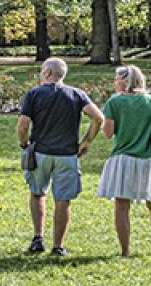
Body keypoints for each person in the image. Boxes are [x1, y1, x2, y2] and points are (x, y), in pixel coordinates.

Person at [17, 57, 104, 258]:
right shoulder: (77, 94)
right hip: (67, 155)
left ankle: (38, 238)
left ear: (47, 73)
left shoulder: (34, 94)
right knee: (63, 200)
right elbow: (98, 118)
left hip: (40, 153)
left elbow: (23, 126)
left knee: (38, 193)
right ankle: (58, 246)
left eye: (41, 71)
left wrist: (24, 144)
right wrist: (87, 141)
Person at [98, 65, 151, 256]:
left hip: (122, 158)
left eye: (116, 79)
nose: (114, 83)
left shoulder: (114, 103)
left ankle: (125, 251)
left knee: (122, 207)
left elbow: (108, 134)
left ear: (124, 81)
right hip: (148, 159)